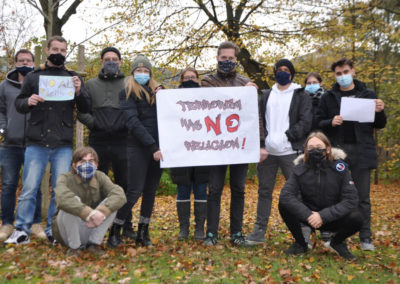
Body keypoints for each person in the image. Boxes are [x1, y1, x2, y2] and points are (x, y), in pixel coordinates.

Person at [5, 35, 91, 245]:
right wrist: (29, 101)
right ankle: (21, 230)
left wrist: (79, 91)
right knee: (29, 188)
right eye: (55, 49)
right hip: (36, 141)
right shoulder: (35, 77)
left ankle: (54, 230)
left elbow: (86, 108)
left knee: (59, 191)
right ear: (47, 50)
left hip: (62, 143)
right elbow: (19, 103)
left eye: (63, 50)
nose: (59, 53)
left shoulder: (73, 78)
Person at [201, 41, 267, 246]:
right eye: (223, 58)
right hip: (216, 145)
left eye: (231, 58)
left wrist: (261, 143)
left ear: (236, 60)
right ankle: (211, 233)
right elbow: (212, 100)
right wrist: (243, 92)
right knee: (214, 189)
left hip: (241, 144)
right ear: (217, 58)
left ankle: (236, 233)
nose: (227, 61)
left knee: (238, 189)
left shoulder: (245, 81)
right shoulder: (207, 81)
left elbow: (254, 115)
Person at [317, 58, 386, 251]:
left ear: (353, 71)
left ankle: (366, 238)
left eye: (345, 72)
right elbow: (317, 122)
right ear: (334, 76)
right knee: (335, 196)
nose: (343, 76)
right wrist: (330, 122)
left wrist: (380, 110)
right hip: (338, 154)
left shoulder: (368, 94)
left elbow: (380, 124)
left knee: (362, 197)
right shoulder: (328, 97)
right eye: (338, 74)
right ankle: (337, 237)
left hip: (362, 153)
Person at [245, 59, 312, 246]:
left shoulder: (301, 95)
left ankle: (304, 233)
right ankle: (258, 233)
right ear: (275, 72)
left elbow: (306, 121)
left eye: (286, 70)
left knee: (298, 193)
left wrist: (288, 136)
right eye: (279, 70)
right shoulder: (266, 95)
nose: (282, 72)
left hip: (291, 151)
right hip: (268, 153)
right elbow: (258, 120)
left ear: (291, 73)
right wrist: (261, 144)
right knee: (264, 191)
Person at [77, 47, 134, 240]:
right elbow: (82, 111)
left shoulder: (129, 83)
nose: (111, 62)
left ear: (120, 61)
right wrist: (96, 124)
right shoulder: (91, 85)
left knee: (124, 184)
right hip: (98, 141)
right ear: (101, 62)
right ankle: (94, 224)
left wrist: (125, 124)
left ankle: (125, 225)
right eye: (107, 59)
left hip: (123, 141)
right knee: (95, 183)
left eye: (114, 59)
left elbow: (137, 108)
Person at [278, 131, 363, 260]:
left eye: (319, 147)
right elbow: (286, 195)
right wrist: (308, 215)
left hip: (333, 218)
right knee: (283, 205)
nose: (315, 150)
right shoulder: (299, 169)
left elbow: (351, 199)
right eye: (311, 148)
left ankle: (337, 242)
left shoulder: (340, 169)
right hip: (308, 217)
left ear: (327, 149)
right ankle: (301, 244)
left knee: (357, 216)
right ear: (305, 150)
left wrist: (323, 216)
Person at [107, 54, 163, 247]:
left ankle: (143, 232)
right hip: (138, 147)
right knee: (134, 191)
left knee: (150, 191)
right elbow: (133, 123)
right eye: (138, 70)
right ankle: (115, 230)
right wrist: (152, 146)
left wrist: (164, 96)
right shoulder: (127, 93)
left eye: (146, 71)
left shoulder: (157, 93)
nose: (142, 73)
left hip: (159, 149)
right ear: (132, 73)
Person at [0, 49, 45, 241]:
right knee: (9, 184)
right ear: (15, 63)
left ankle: (35, 223)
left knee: (35, 185)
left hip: (35, 144)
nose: (24, 63)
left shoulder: (40, 84)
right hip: (10, 144)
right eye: (21, 60)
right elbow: (0, 110)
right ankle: (7, 223)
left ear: (34, 63)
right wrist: (4, 128)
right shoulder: (5, 86)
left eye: (28, 60)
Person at [52, 146, 126, 256]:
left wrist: (101, 212)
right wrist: (89, 213)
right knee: (72, 202)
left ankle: (93, 244)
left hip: (90, 226)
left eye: (91, 161)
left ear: (96, 165)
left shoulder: (100, 176)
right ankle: (74, 248)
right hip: (66, 233)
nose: (87, 165)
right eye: (82, 161)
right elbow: (62, 197)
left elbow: (119, 194)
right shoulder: (65, 178)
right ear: (74, 165)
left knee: (111, 205)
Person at [170, 67, 208, 241]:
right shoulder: (171, 100)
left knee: (201, 189)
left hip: (201, 152)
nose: (190, 79)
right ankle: (183, 228)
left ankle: (200, 228)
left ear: (198, 79)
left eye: (193, 77)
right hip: (181, 153)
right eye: (186, 77)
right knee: (183, 189)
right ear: (181, 80)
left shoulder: (207, 99)